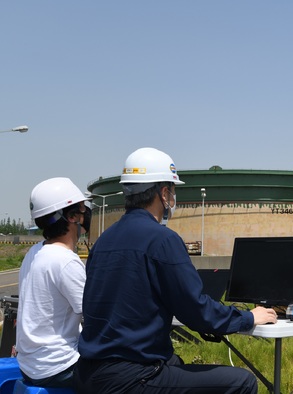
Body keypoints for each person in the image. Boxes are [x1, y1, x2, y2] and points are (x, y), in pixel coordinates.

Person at [74, 147, 277, 394]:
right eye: (172, 190)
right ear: (163, 193)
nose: (173, 197)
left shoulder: (104, 240)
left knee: (175, 363)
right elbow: (197, 311)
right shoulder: (162, 240)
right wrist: (248, 318)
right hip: (132, 378)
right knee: (241, 382)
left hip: (89, 374)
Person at [17, 177, 91, 388]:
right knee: (125, 373)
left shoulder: (35, 251)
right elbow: (94, 315)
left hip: (30, 365)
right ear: (72, 217)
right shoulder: (65, 261)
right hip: (58, 367)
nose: (85, 216)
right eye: (82, 210)